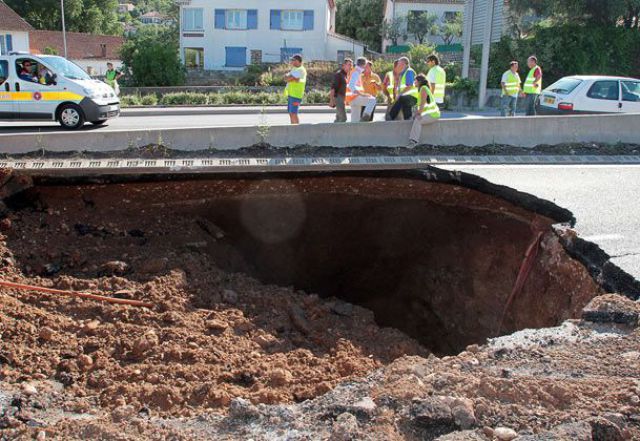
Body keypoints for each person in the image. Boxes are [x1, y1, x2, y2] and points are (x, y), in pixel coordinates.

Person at [409, 74, 441, 146]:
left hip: (433, 114)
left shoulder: (423, 88)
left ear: (419, 82)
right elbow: (420, 105)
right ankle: (412, 140)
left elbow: (423, 103)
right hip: (431, 113)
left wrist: (418, 114)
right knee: (416, 117)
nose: (414, 82)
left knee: (418, 121)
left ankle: (413, 141)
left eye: (415, 81)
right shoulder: (423, 88)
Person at [346, 57, 377, 123]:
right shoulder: (356, 72)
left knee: (355, 121)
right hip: (355, 98)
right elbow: (351, 86)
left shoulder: (354, 71)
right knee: (372, 100)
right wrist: (362, 94)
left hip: (352, 99)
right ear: (364, 65)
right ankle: (365, 117)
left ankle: (354, 131)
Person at [284, 54, 307, 125]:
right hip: (291, 94)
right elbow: (286, 79)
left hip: (296, 95)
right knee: (291, 113)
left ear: (298, 61)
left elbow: (288, 78)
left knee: (294, 113)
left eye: (293, 60)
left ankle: (296, 129)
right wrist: (289, 77)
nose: (291, 62)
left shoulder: (301, 69)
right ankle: (292, 128)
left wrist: (289, 77)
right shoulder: (294, 69)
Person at [329, 58, 353, 123]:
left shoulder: (346, 75)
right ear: (343, 65)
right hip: (338, 97)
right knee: (343, 118)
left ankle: (333, 131)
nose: (350, 66)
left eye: (351, 65)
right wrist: (331, 100)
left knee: (338, 118)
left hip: (342, 98)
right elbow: (333, 88)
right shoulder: (339, 75)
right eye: (349, 65)